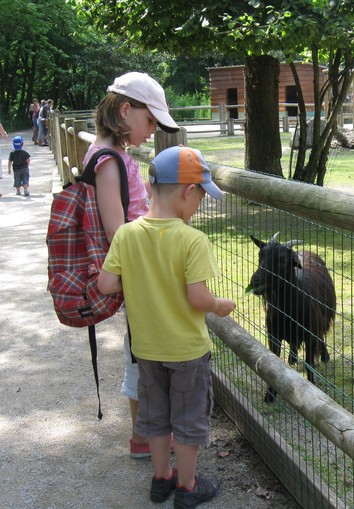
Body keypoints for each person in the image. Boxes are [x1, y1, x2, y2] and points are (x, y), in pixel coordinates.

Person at [98, 145, 236, 507]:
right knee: (189, 419)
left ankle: (161, 480)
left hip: (146, 349)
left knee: (155, 415)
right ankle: (188, 487)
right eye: (201, 198)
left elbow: (106, 285)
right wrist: (220, 306)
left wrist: (141, 278)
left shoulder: (126, 235)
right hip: (187, 351)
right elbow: (198, 298)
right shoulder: (192, 240)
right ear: (188, 192)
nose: (199, 207)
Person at [82, 71, 180, 459]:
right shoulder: (108, 161)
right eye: (150, 121)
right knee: (143, 355)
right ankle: (144, 437)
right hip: (138, 277)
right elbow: (117, 234)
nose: (152, 131)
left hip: (140, 273)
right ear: (125, 111)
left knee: (142, 351)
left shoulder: (110, 153)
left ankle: (146, 433)